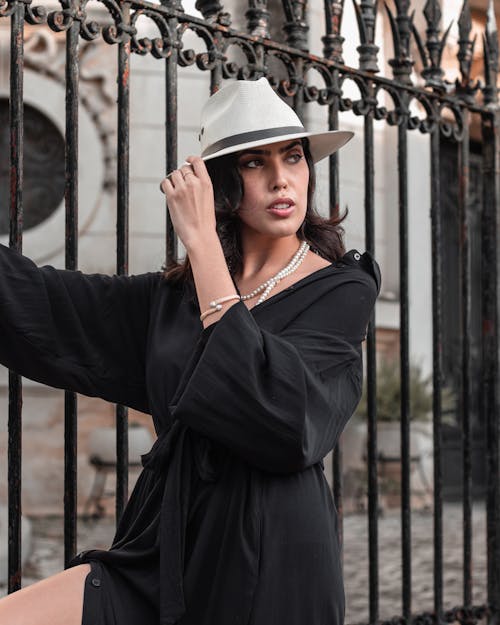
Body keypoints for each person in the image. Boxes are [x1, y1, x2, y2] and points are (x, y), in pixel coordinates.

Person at [0, 77, 380, 625]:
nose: (281, 179)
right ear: (220, 183)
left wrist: (202, 241)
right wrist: (205, 264)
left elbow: (285, 419)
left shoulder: (341, 291)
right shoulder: (170, 300)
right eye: (255, 163)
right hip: (165, 546)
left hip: (269, 553)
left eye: (293, 158)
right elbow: (44, 304)